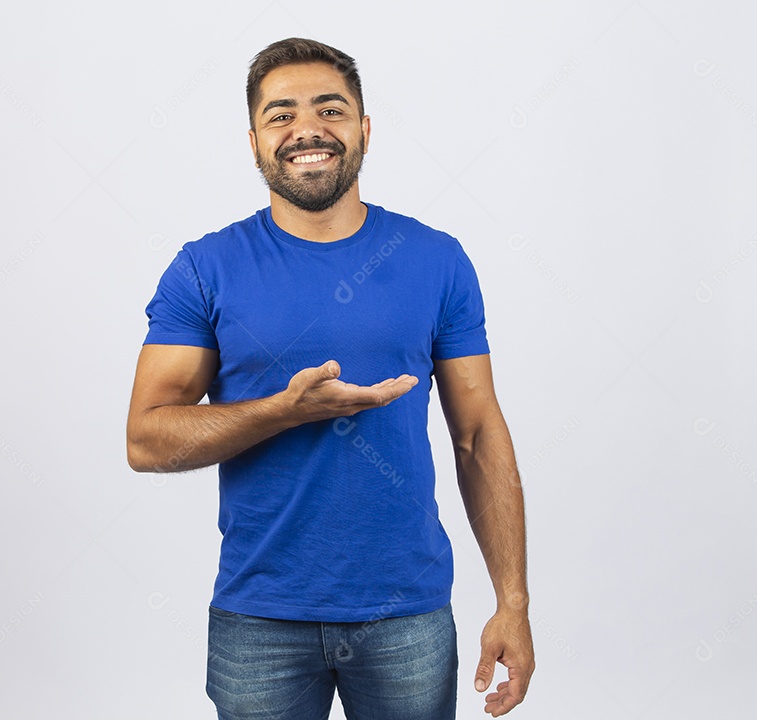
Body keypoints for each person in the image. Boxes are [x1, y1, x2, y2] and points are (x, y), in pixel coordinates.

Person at [126, 37, 534, 719]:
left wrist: (513, 602)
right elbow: (148, 439)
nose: (307, 129)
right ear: (254, 142)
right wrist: (283, 411)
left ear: (364, 130)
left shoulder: (437, 260)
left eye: (330, 110)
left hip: (408, 612)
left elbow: (478, 434)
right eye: (281, 115)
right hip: (260, 616)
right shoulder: (205, 268)